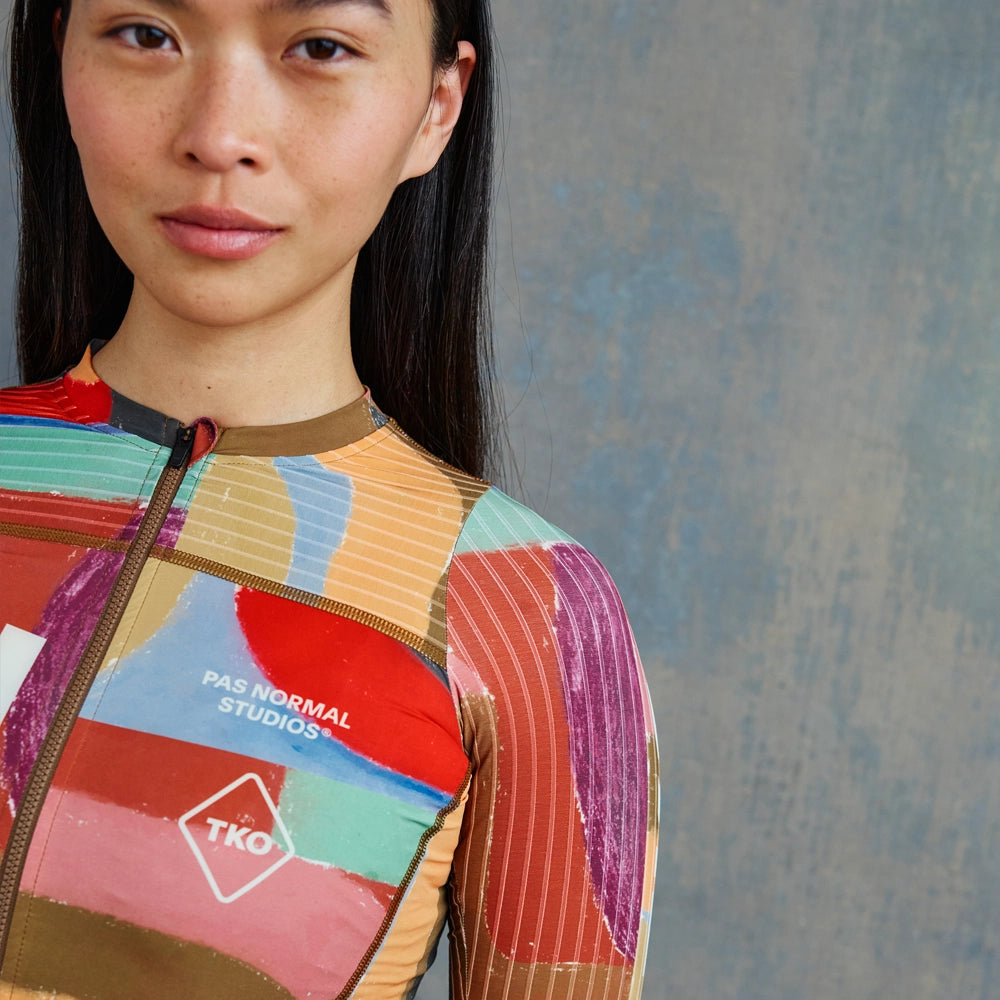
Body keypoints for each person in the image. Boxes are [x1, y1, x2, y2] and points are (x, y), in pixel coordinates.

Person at [0, 0, 658, 996]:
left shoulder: (531, 611)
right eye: (146, 34)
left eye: (320, 47)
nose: (219, 135)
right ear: (62, 57)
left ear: (436, 106)